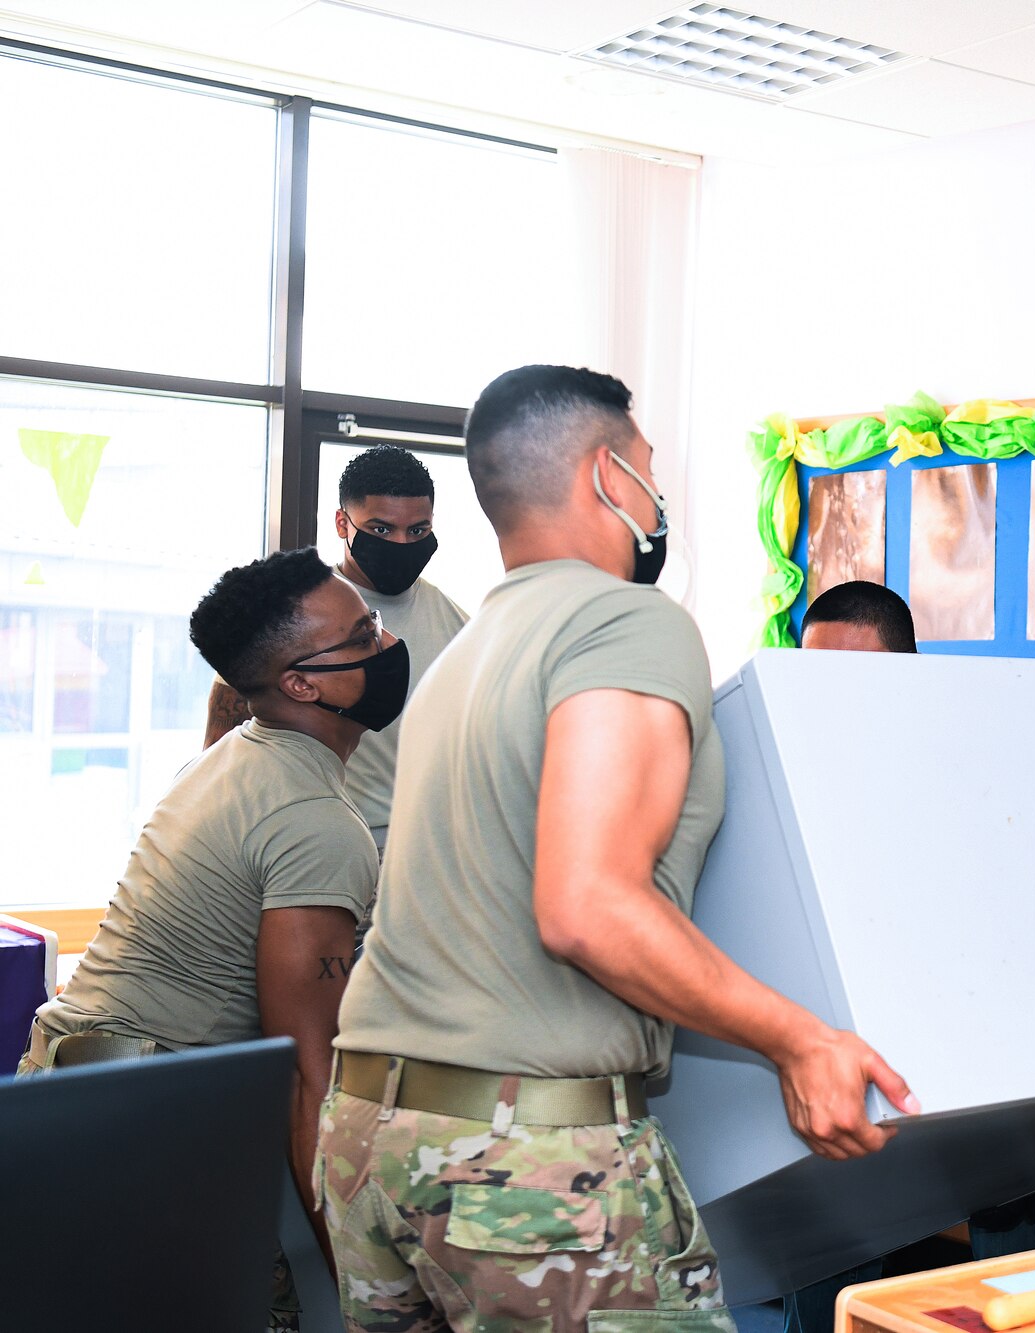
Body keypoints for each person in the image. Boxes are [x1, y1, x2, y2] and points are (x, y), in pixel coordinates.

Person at [323, 365, 917, 1333]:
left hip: (371, 1137)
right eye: (647, 467)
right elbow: (587, 903)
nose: (656, 492)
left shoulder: (463, 651)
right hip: (522, 1159)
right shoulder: (622, 619)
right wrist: (800, 1038)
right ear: (608, 474)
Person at [20, 548, 404, 1330]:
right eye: (363, 635)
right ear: (298, 683)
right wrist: (366, 1295)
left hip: (72, 1103)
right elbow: (308, 1075)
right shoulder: (317, 825)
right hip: (139, 1136)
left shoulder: (236, 754)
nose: (388, 643)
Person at [786, 580, 1035, 1333]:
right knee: (827, 1294)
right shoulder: (798, 782)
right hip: (857, 1084)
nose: (827, 701)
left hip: (988, 1078)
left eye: (850, 679)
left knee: (1014, 1291)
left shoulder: (983, 778)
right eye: (812, 678)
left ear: (905, 671)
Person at [206, 444, 469, 856]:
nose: (401, 543)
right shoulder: (288, 613)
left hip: (426, 850)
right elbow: (222, 749)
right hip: (318, 841)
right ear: (342, 523)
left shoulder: (458, 624)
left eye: (417, 530)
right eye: (382, 529)